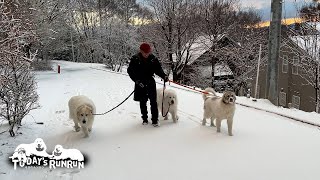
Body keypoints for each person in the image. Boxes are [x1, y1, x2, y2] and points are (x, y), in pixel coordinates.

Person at [127, 43, 168, 127]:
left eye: (148, 52)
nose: (147, 54)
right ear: (141, 51)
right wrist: (137, 81)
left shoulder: (153, 59)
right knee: (143, 102)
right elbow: (130, 71)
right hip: (140, 83)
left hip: (150, 82)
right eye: (145, 52)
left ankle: (155, 120)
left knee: (153, 102)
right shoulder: (135, 59)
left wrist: (164, 76)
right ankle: (144, 119)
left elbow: (158, 69)